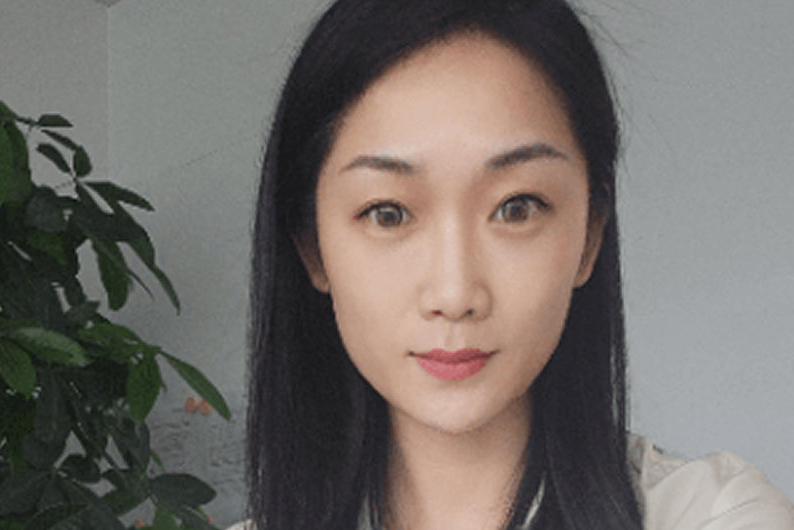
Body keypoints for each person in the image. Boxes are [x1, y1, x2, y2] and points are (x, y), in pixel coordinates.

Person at [233, 0, 794, 528]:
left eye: (516, 208)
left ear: (590, 235)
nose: (455, 293)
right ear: (312, 246)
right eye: (388, 213)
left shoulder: (714, 516)